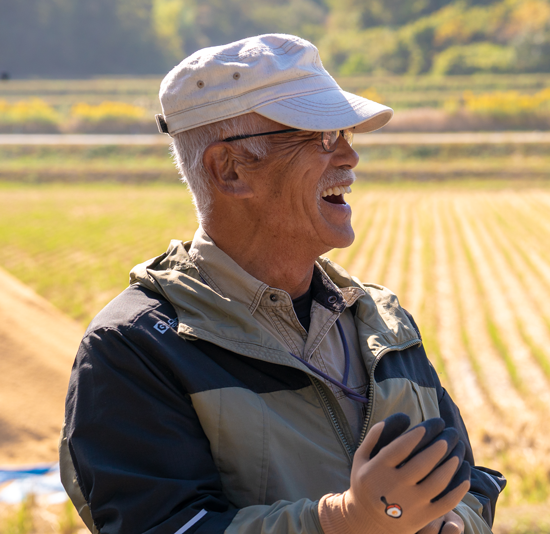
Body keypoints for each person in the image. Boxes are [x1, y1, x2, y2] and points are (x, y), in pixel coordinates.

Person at [59, 34, 505, 534]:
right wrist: (347, 521)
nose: (349, 158)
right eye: (322, 138)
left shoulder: (382, 322)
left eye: (347, 135)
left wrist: (452, 524)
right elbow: (163, 525)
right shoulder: (136, 347)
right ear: (229, 170)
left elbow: (469, 480)